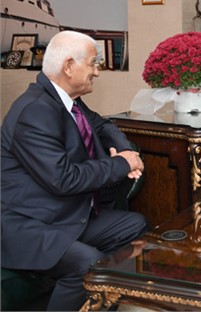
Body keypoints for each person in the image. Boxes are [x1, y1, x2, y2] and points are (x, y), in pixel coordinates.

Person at [1, 30, 148, 311]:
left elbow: (103, 125)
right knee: (87, 263)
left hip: (63, 215)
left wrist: (125, 152)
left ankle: (100, 302)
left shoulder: (67, 101)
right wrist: (122, 164)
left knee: (134, 226)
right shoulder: (35, 111)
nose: (97, 71)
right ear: (69, 66)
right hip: (29, 224)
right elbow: (64, 179)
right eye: (93, 63)